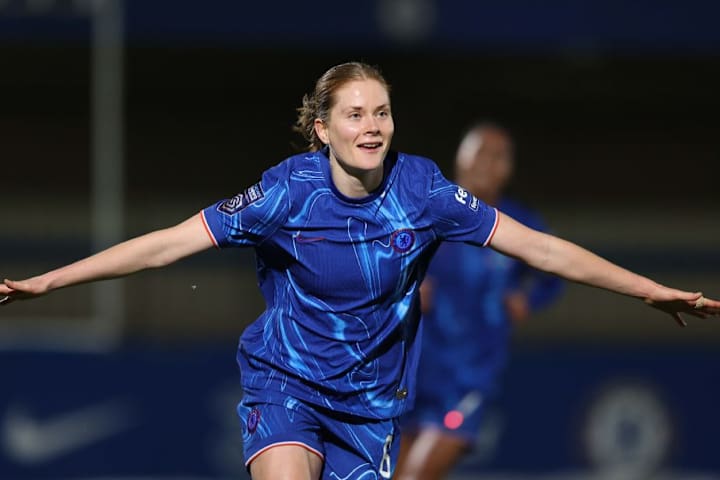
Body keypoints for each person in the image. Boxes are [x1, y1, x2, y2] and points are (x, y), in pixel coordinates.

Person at [1, 62, 717, 480]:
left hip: (371, 406)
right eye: (354, 114)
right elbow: (163, 245)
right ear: (323, 129)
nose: (372, 125)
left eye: (382, 112)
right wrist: (46, 282)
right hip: (286, 382)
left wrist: (650, 291)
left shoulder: (426, 193)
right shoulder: (285, 192)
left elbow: (542, 250)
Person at [395, 122, 564, 480]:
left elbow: (555, 276)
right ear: (460, 156)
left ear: (510, 168)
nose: (488, 162)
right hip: (408, 376)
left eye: (499, 156)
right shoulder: (425, 213)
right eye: (480, 152)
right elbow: (371, 267)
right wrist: (404, 287)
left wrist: (527, 300)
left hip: (467, 383)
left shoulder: (518, 224)